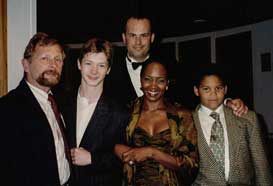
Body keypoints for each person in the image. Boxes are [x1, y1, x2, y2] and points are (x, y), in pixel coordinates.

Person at [105, 15, 248, 116]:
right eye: (133, 35)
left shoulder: (169, 65)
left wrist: (226, 102)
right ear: (124, 38)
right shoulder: (108, 69)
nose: (138, 42)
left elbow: (192, 94)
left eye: (144, 35)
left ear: (152, 38)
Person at [0, 32, 70, 186]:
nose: (53, 65)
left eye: (58, 59)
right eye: (45, 58)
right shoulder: (7, 109)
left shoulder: (61, 102)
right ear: (26, 64)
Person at [115, 59, 199, 186]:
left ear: (167, 84)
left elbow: (192, 164)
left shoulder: (182, 115)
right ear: (141, 81)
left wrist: (151, 152)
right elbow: (113, 145)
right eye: (148, 79)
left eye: (160, 81)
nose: (153, 86)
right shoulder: (127, 112)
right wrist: (125, 153)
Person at [57, 38, 129, 186]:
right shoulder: (60, 103)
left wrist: (92, 159)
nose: (94, 71)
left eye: (101, 65)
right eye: (88, 63)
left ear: (108, 69)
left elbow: (126, 158)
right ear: (79, 64)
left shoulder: (119, 112)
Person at [192, 64, 273, 185]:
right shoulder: (187, 121)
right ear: (196, 90)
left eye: (218, 88)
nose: (213, 95)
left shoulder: (247, 118)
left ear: (225, 89)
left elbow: (261, 164)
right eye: (206, 89)